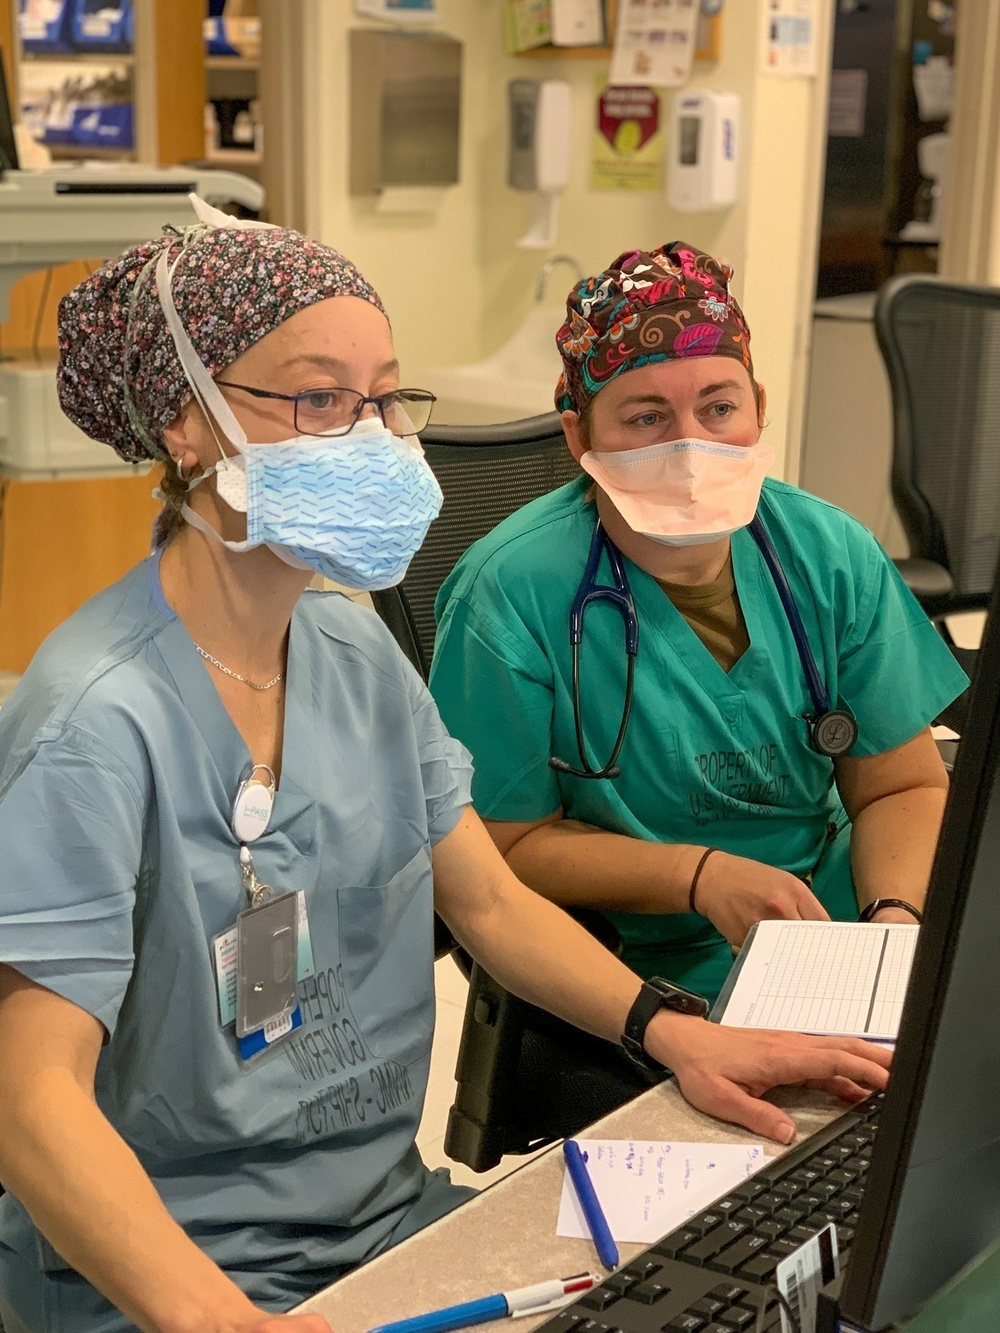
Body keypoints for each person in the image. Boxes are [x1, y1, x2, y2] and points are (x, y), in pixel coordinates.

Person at [0, 214, 892, 1333]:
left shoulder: (351, 654)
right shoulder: (90, 723)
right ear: (187, 423)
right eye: (318, 398)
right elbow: (28, 1100)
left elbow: (490, 902)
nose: (371, 437)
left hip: (387, 1231)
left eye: (383, 398)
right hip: (173, 1277)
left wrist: (676, 1032)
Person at [430, 241, 968, 1007]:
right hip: (639, 957)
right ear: (579, 438)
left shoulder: (828, 553)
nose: (691, 447)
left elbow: (901, 786)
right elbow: (503, 847)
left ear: (759, 408)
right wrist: (699, 875)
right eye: (647, 417)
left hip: (832, 919)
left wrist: (890, 935)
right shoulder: (510, 595)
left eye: (719, 407)